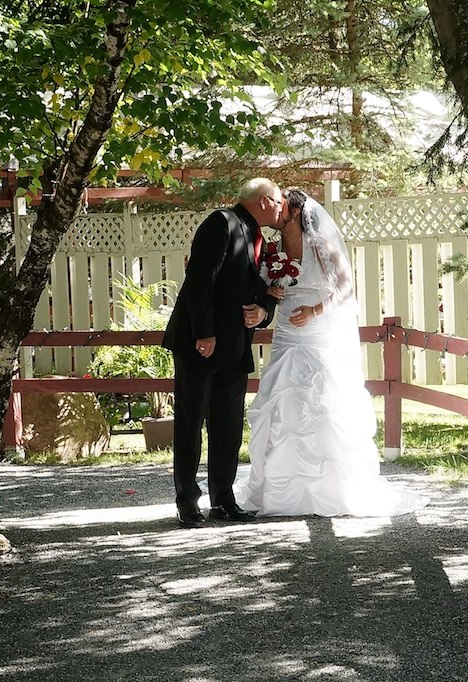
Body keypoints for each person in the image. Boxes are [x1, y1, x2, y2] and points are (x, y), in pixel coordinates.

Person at [235, 189, 429, 517]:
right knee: (281, 404)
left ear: (296, 213)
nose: (278, 211)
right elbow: (268, 285)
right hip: (285, 335)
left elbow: (346, 289)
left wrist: (315, 310)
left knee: (321, 405)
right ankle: (282, 490)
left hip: (316, 333)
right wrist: (269, 291)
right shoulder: (275, 248)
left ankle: (328, 489)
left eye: (284, 207)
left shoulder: (320, 246)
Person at [163, 178, 283, 528]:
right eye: (277, 201)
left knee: (227, 426)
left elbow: (263, 291)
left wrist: (263, 312)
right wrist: (205, 333)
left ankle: (223, 500)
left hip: (235, 345)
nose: (280, 208)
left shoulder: (262, 240)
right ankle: (187, 502)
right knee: (190, 423)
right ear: (263, 200)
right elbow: (200, 279)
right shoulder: (221, 223)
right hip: (202, 343)